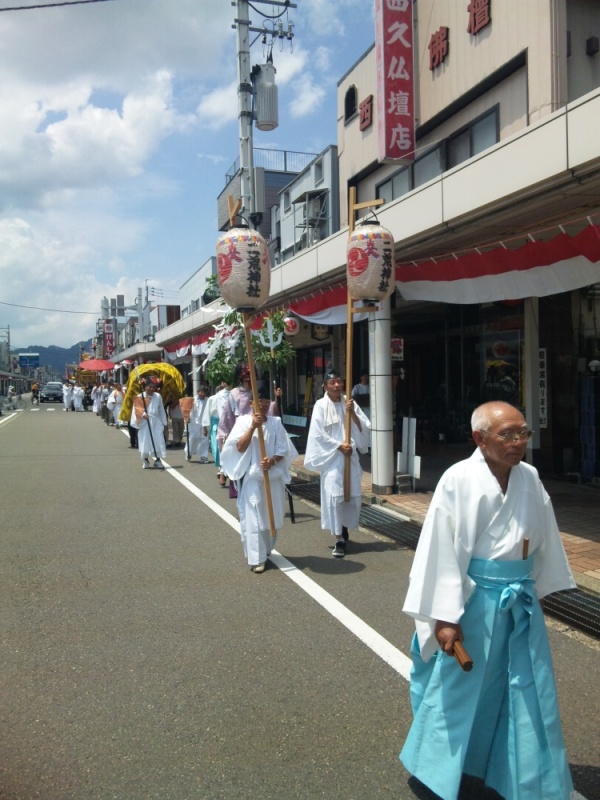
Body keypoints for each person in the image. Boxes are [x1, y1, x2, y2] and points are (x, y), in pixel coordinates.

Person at [399, 401, 576, 800]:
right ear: (479, 438)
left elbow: (544, 535)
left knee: (522, 689)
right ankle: (437, 769)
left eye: (523, 434)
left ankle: (521, 775)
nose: (518, 443)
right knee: (459, 692)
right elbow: (440, 551)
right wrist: (444, 617)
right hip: (473, 603)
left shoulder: (529, 478)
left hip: (517, 602)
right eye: (508, 435)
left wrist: (538, 588)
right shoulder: (457, 479)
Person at [220, 386, 298, 573]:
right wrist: (253, 427)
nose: (262, 405)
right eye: (258, 401)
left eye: (265, 401)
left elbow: (283, 449)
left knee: (271, 517)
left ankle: (267, 549)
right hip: (253, 478)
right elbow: (238, 447)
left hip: (272, 478)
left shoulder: (275, 422)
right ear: (251, 403)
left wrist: (272, 460)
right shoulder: (243, 421)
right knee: (253, 518)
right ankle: (257, 558)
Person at [303, 370, 371, 558]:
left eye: (339, 382)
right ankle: (339, 538)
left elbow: (363, 427)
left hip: (350, 457)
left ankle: (345, 527)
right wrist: (339, 446)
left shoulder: (349, 402)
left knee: (350, 495)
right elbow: (318, 434)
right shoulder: (320, 405)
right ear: (325, 386)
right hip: (332, 458)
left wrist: (352, 414)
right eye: (332, 382)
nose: (336, 385)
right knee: (334, 495)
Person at [130, 378, 168, 469]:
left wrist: (164, 423)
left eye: (154, 387)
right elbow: (136, 410)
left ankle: (158, 460)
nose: (152, 389)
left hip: (156, 422)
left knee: (158, 440)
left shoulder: (158, 396)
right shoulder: (140, 396)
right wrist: (143, 414)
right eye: (150, 387)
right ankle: (145, 460)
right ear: (145, 387)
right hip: (144, 423)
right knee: (145, 441)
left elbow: (161, 410)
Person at [187, 385, 210, 463]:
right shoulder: (192, 400)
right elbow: (188, 410)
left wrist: (205, 424)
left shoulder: (208, 400)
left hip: (205, 422)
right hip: (194, 422)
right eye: (201, 392)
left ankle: (203, 456)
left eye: (204, 392)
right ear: (198, 392)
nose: (203, 394)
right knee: (193, 438)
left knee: (204, 439)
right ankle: (188, 452)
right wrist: (187, 418)